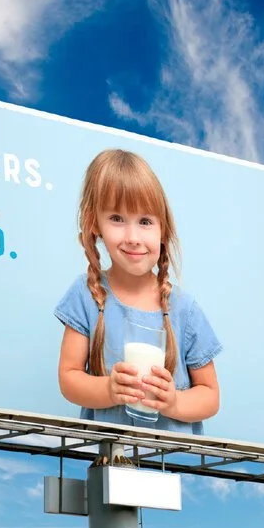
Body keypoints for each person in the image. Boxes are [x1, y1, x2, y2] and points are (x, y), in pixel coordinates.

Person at [54, 148, 223, 435]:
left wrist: (174, 403)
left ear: (162, 230)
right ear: (95, 223)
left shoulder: (184, 308)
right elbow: (69, 378)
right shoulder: (86, 296)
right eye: (117, 219)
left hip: (171, 463)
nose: (133, 238)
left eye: (145, 222)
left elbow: (210, 395)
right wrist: (108, 388)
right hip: (111, 461)